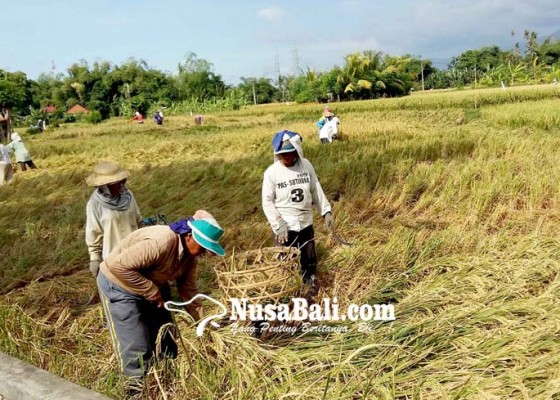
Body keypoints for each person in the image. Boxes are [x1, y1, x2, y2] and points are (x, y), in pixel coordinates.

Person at [96, 210, 225, 396]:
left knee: (166, 335)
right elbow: (118, 267)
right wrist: (150, 290)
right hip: (119, 284)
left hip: (152, 282)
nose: (205, 253)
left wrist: (203, 324)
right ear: (189, 236)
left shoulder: (190, 258)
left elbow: (189, 292)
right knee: (136, 344)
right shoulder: (160, 243)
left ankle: (166, 381)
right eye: (204, 247)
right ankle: (136, 390)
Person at [262, 130, 333, 288]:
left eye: (289, 153)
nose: (286, 157)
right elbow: (267, 201)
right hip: (284, 225)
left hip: (305, 221)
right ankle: (288, 288)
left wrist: (326, 211)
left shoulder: (306, 165)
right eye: (282, 154)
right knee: (287, 260)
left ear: (296, 151)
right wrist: (278, 223)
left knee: (309, 257)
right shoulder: (271, 173)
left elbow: (315, 188)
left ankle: (309, 282)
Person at [85, 161, 142, 277]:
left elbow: (139, 221)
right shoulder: (94, 204)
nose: (120, 185)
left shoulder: (128, 196)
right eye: (114, 184)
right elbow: (94, 233)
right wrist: (94, 258)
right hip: (113, 258)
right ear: (104, 186)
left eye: (120, 182)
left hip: (136, 253)